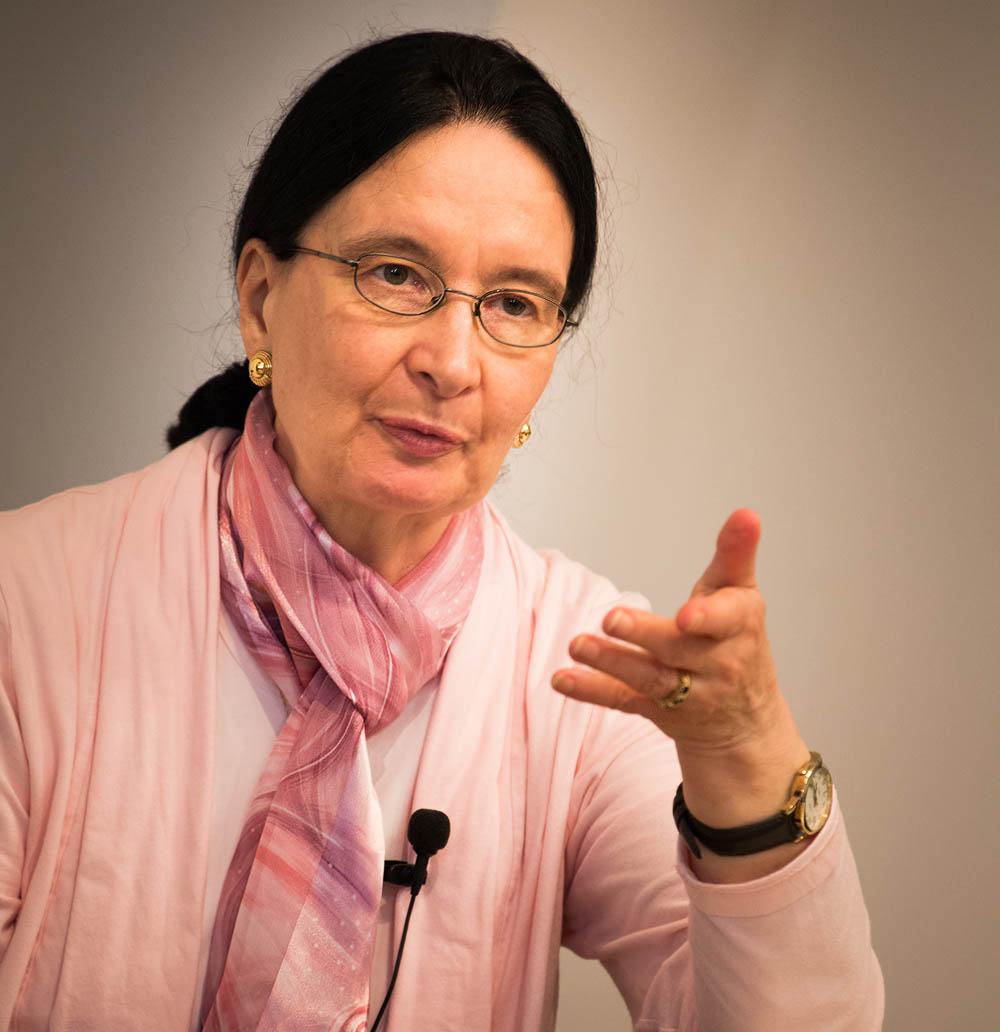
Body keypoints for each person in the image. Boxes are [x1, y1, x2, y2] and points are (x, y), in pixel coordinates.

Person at [0, 30, 883, 1031]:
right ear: (260, 299)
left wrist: (745, 752)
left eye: (514, 303)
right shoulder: (31, 609)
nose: (452, 362)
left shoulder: (586, 669)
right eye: (395, 274)